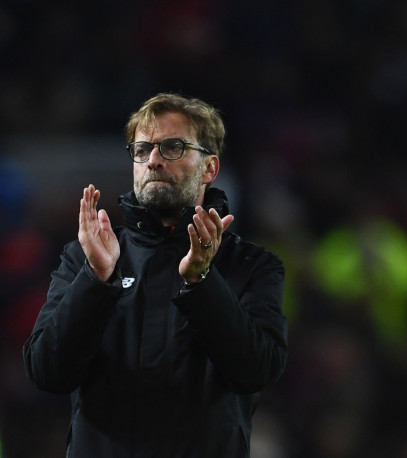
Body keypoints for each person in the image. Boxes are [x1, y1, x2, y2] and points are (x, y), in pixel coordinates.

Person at [23, 93, 288, 457]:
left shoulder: (252, 265)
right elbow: (48, 372)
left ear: (209, 168)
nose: (153, 161)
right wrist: (95, 280)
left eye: (173, 147)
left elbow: (257, 371)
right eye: (142, 148)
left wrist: (201, 282)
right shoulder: (86, 258)